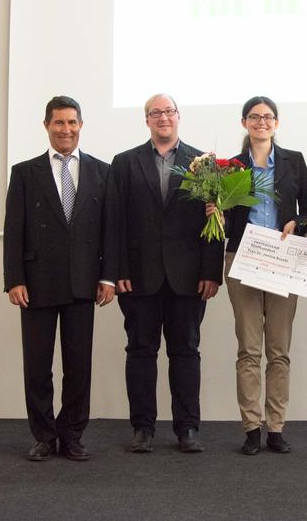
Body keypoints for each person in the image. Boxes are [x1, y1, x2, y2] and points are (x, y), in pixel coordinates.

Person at [3, 96, 117, 462]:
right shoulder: (24, 172)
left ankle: (71, 435)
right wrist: (14, 279)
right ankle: (43, 435)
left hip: (84, 282)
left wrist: (109, 277)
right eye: (58, 123)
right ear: (46, 126)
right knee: (37, 365)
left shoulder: (102, 171)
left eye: (72, 122)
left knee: (78, 364)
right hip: (36, 284)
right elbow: (14, 229)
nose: (65, 129)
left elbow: (110, 232)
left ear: (81, 125)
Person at [110, 93, 224, 453]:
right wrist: (117, 271)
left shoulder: (204, 164)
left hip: (189, 277)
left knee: (186, 352)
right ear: (146, 120)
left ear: (179, 117)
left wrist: (211, 271)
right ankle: (142, 428)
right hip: (138, 277)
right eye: (155, 113)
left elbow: (214, 221)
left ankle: (187, 428)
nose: (163, 118)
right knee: (141, 351)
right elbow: (115, 223)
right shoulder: (125, 163)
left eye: (169, 111)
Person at [221, 96, 307, 455]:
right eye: (255, 117)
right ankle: (251, 428)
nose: (262, 122)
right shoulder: (230, 167)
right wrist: (216, 210)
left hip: (283, 260)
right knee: (248, 350)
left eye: (268, 117)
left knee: (279, 351)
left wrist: (297, 223)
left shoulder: (294, 161)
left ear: (277, 123)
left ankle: (275, 427)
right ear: (244, 122)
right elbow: (228, 221)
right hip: (242, 259)